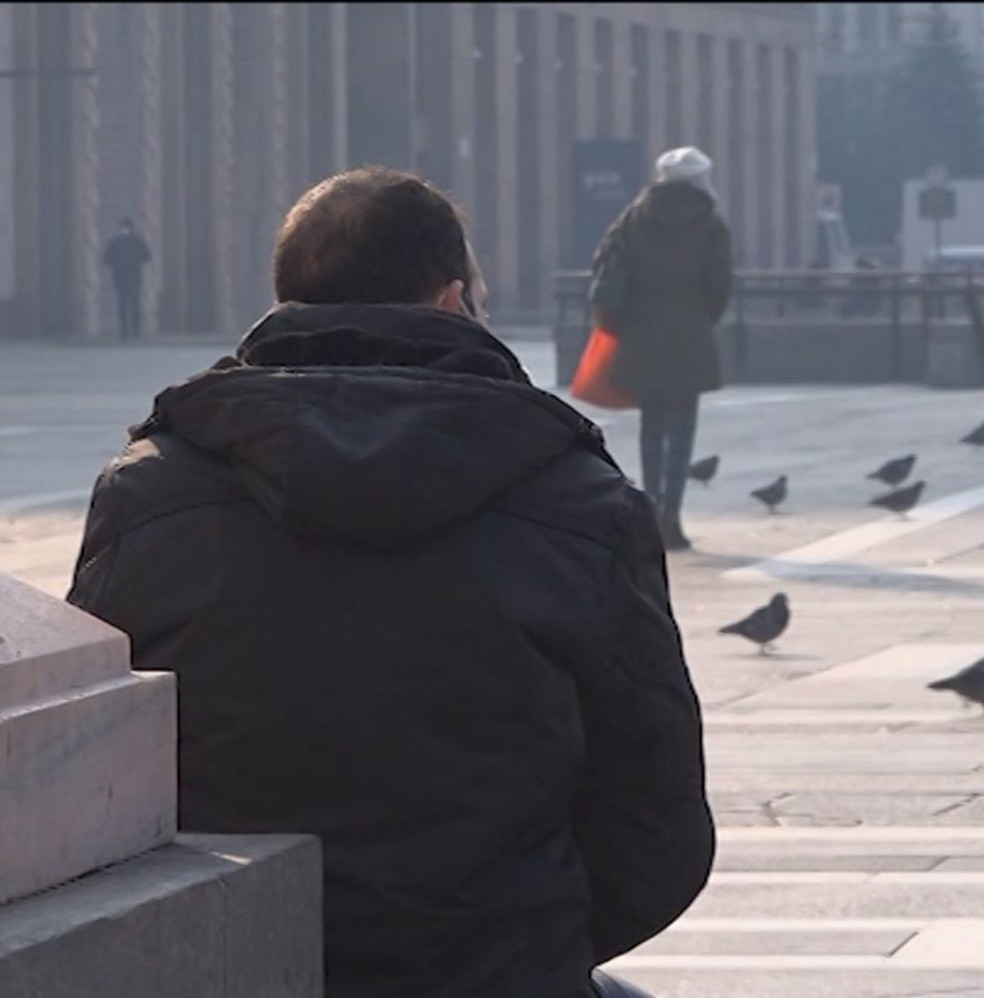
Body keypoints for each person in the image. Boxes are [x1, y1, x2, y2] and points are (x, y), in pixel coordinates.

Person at [67, 166, 713, 998]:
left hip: (230, 962)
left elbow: (92, 775)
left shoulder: (148, 494)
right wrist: (533, 937)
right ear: (452, 301)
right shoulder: (582, 505)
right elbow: (656, 820)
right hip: (494, 965)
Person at [590, 146, 733, 552]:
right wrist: (702, 317)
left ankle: (650, 506)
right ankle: (673, 513)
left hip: (643, 332)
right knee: (682, 426)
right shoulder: (710, 223)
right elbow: (719, 286)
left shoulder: (636, 217)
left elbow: (610, 266)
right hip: (690, 332)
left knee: (651, 424)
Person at [101, 218, 151, 340]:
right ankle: (124, 331)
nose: (125, 230)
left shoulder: (136, 242)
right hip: (122, 277)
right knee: (123, 305)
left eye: (126, 227)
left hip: (132, 276)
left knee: (133, 304)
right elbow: (107, 259)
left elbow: (146, 257)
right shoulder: (116, 243)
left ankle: (134, 331)